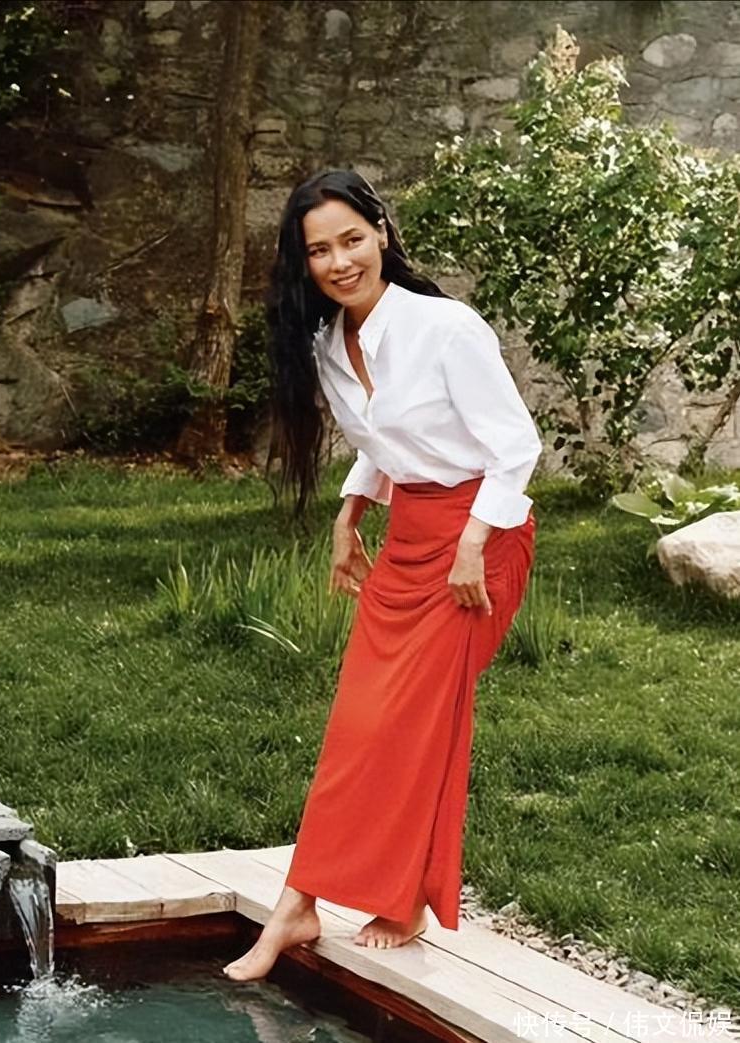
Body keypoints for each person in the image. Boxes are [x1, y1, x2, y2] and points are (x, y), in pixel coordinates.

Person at [222, 169, 542, 982]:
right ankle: (328, 898)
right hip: (409, 538)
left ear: (382, 234)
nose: (339, 262)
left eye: (351, 240)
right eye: (318, 251)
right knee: (361, 723)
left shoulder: (445, 328)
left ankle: (336, 901)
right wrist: (349, 512)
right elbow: (386, 438)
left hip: (480, 541)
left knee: (411, 723)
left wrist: (472, 540)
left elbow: (515, 445)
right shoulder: (329, 343)